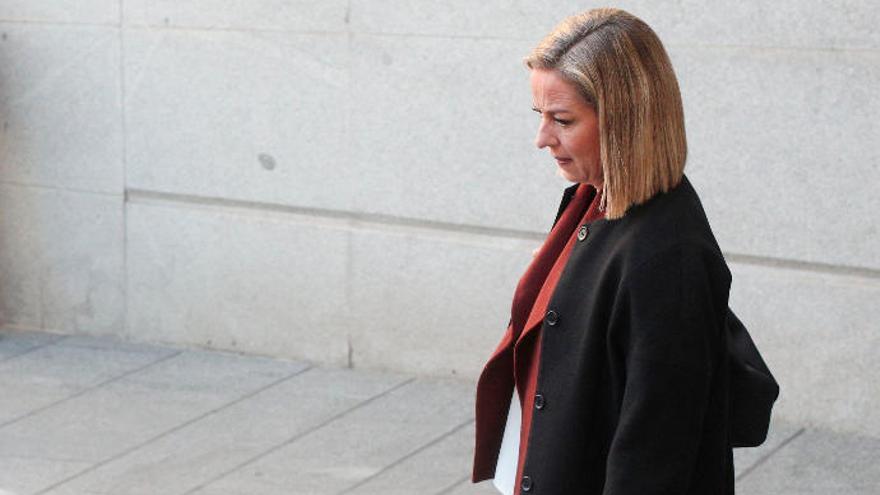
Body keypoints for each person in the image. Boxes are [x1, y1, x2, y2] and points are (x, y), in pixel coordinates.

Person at [472, 8, 738, 494]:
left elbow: (655, 452)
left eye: (563, 120)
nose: (542, 139)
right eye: (540, 116)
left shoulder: (669, 255)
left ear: (626, 121)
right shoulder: (592, 199)